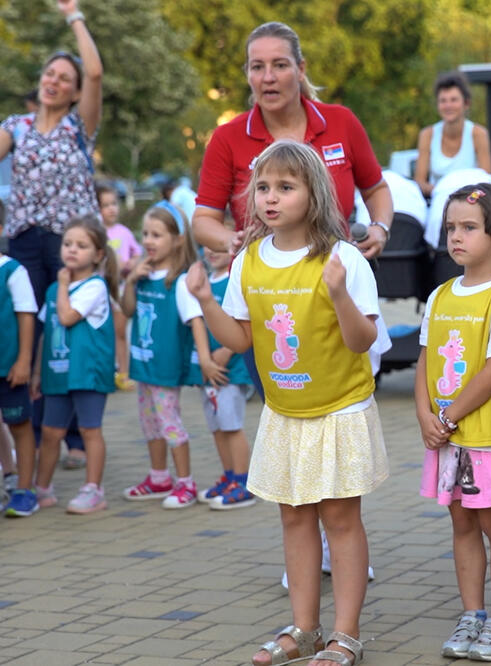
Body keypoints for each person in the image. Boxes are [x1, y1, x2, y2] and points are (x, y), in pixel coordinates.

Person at [189, 139, 389, 666]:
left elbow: (363, 341)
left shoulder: (342, 258)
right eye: (262, 187)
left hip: (340, 409)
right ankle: (304, 630)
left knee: (341, 521)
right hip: (284, 412)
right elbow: (239, 342)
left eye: (285, 186)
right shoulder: (249, 260)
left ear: (315, 193)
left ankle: (345, 635)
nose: (270, 198)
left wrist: (340, 294)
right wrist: (205, 300)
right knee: (295, 518)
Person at [416, 183, 491, 661]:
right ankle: (472, 614)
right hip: (447, 437)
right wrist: (425, 415)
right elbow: (424, 362)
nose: (456, 237)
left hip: (487, 437)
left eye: (468, 228)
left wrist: (445, 415)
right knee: (460, 522)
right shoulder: (440, 294)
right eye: (450, 228)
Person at [192, 22, 392, 262]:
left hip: (335, 273)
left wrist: (380, 229)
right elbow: (203, 220)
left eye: (280, 65)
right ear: (248, 74)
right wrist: (232, 240)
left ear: (300, 69)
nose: (268, 77)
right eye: (257, 67)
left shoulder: (342, 121)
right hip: (261, 279)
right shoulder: (227, 137)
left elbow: (376, 189)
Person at [0, 0, 103, 310]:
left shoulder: (78, 126)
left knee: (65, 326)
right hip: (24, 240)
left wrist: (74, 16)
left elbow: (95, 74)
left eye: (64, 78)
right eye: (50, 74)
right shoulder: (16, 127)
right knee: (24, 322)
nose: (53, 81)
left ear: (75, 94)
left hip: (72, 243)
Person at [121, 202, 225, 509]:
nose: (149, 241)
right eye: (146, 234)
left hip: (165, 367)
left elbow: (196, 322)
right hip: (143, 364)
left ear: (178, 240)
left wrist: (205, 359)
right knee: (148, 423)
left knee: (169, 423)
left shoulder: (179, 282)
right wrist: (130, 280)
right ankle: (158, 477)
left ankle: (186, 483)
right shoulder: (143, 274)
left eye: (157, 234)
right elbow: (127, 310)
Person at [31, 215, 117, 514]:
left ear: (98, 254)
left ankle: (93, 489)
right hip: (57, 372)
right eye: (68, 243)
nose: (72, 250)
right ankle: (41, 489)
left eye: (82, 245)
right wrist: (37, 373)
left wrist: (64, 285)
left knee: (90, 429)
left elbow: (67, 317)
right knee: (51, 431)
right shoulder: (55, 289)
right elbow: (47, 331)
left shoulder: (94, 287)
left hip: (87, 372)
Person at [190, 246, 255, 510]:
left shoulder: (236, 280)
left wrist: (228, 350)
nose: (212, 251)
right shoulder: (204, 281)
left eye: (220, 246)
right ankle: (228, 476)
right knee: (216, 426)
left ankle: (243, 482)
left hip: (231, 369)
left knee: (231, 425)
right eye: (208, 245)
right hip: (209, 371)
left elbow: (248, 321)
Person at [0, 235, 37, 517]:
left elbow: (26, 316)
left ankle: (25, 489)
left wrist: (24, 361)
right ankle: (8, 475)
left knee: (20, 425)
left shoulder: (13, 271)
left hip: (9, 368)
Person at [414, 71, 491, 198]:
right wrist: (442, 191)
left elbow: (487, 180)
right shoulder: (427, 135)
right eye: (443, 101)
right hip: (439, 200)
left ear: (466, 103)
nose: (448, 105)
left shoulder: (478, 134)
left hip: (471, 201)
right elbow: (420, 182)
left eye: (454, 100)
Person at [95, 182, 141, 390]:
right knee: (102, 333)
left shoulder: (123, 232)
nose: (112, 208)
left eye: (114, 203)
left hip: (120, 288)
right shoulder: (95, 233)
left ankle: (123, 372)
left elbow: (137, 253)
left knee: (120, 331)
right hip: (99, 290)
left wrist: (131, 263)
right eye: (105, 205)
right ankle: (105, 372)